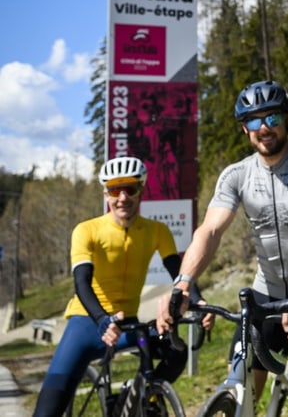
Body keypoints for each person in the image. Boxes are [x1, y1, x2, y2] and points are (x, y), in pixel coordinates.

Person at [157, 79, 288, 417]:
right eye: (254, 120)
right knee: (243, 396)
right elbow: (210, 230)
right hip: (265, 293)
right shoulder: (235, 175)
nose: (264, 128)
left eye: (272, 117)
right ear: (244, 128)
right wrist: (182, 283)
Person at [33, 156, 190, 417]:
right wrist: (102, 320)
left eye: (130, 189)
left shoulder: (157, 231)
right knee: (47, 410)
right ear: (106, 193)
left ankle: (141, 397)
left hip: (128, 324)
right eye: (115, 190)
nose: (123, 198)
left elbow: (179, 273)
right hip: (87, 322)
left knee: (176, 350)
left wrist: (199, 300)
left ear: (141, 190)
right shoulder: (87, 230)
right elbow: (81, 282)